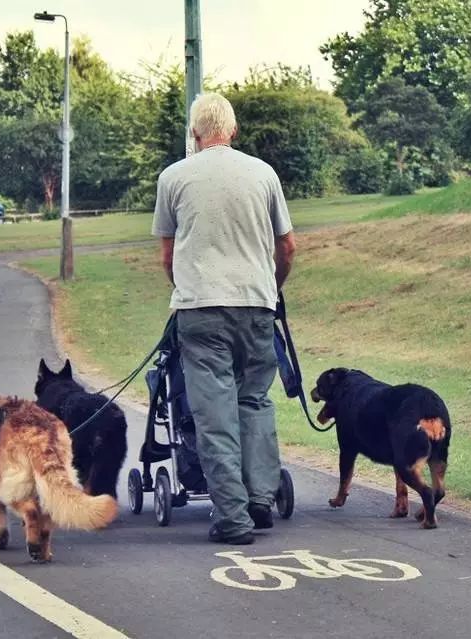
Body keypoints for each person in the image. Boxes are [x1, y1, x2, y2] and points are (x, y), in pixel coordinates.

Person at [151, 92, 296, 545]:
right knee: (253, 401)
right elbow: (287, 247)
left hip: (200, 311)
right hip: (256, 305)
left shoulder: (173, 178)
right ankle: (259, 499)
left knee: (214, 414)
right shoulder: (264, 174)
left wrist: (189, 287)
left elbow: (169, 255)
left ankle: (233, 518)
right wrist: (272, 287)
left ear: (195, 135)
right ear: (232, 131)